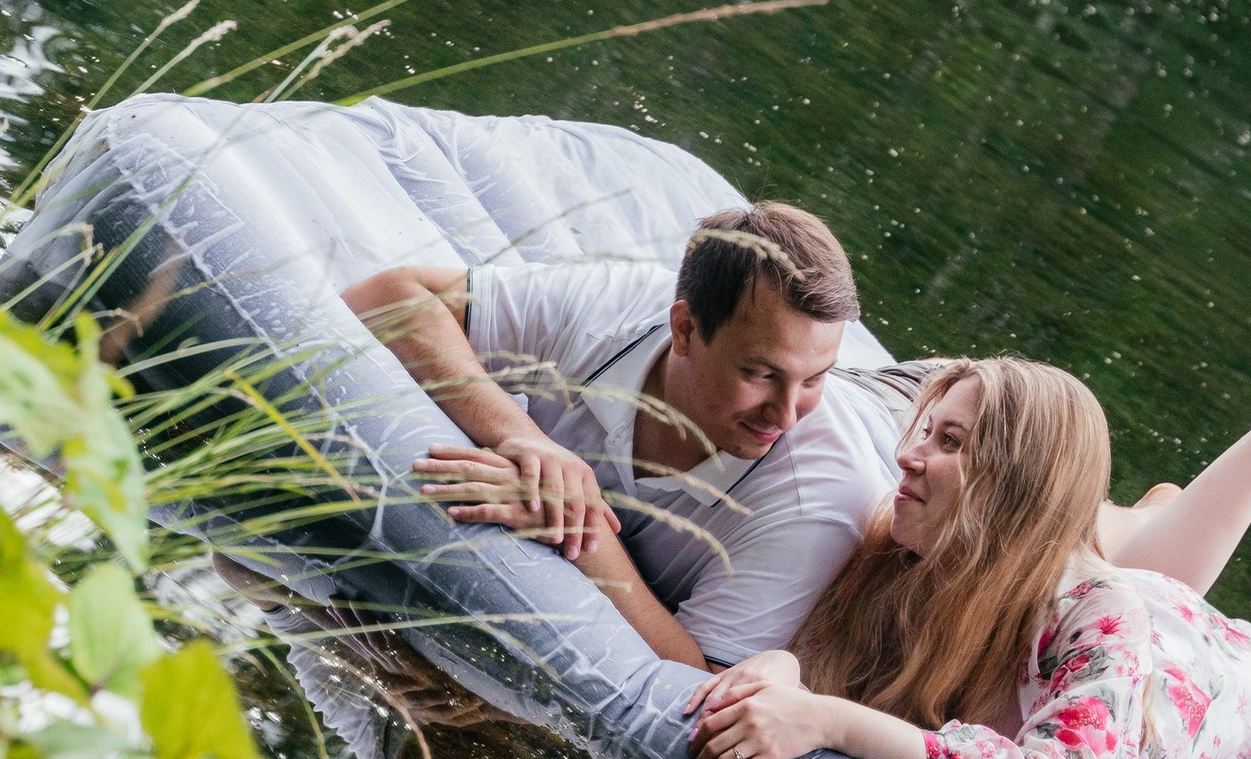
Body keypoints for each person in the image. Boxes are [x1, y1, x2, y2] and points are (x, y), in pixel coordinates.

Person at [686, 293, 1251, 759]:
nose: (907, 456)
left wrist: (828, 722)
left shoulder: (1099, 617)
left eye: (950, 443)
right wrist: (786, 670)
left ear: (1011, 481)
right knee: (1115, 568)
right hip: (1086, 590)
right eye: (925, 432)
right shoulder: (901, 544)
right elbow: (823, 662)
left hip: (1203, 677)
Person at [340, 200, 897, 668]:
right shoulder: (615, 306)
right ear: (683, 329)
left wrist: (586, 534)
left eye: (813, 379)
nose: (786, 413)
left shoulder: (820, 499)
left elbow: (699, 683)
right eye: (760, 374)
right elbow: (387, 298)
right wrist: (522, 436)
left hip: (895, 420)